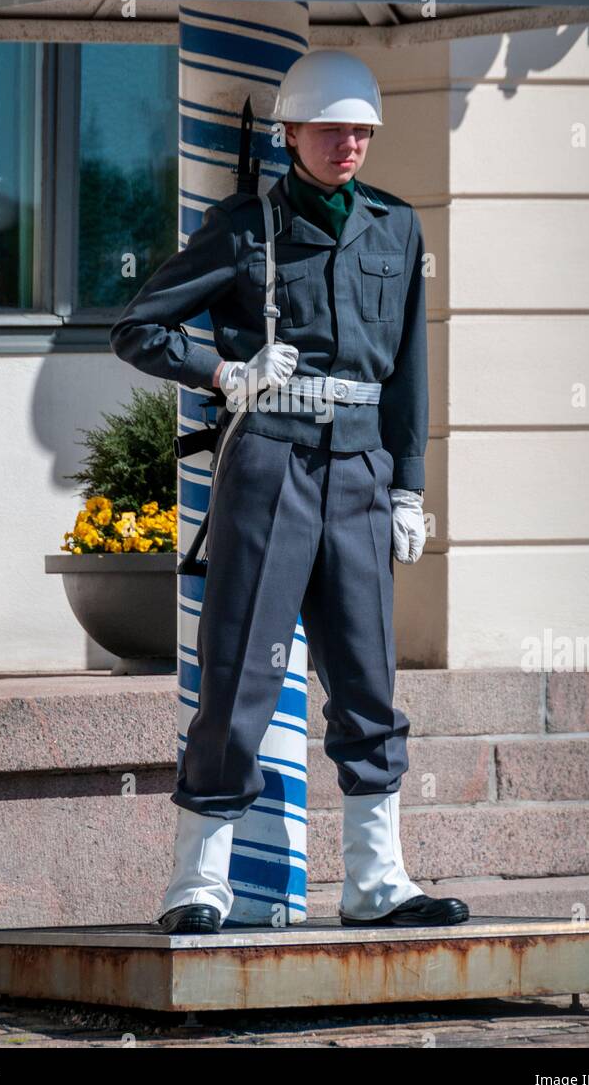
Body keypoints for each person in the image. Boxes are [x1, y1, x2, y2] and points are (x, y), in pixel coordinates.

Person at [110, 50, 469, 933]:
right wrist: (225, 370)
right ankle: (197, 884)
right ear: (291, 134)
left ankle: (376, 883)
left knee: (366, 677)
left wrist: (408, 486)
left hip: (358, 470)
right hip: (269, 462)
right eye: (331, 128)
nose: (348, 143)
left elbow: (408, 375)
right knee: (237, 675)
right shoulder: (243, 228)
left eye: (360, 130)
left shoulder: (395, 227)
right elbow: (138, 329)